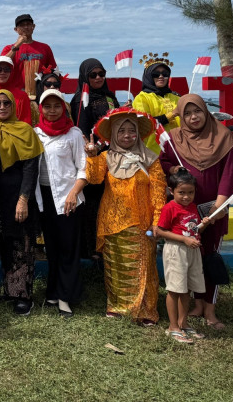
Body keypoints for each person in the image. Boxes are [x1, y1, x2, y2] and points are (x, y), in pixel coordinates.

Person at [158, 94, 233, 331]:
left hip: (213, 210)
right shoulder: (174, 139)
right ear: (181, 117)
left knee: (210, 257)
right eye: (187, 113)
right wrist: (172, 168)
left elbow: (229, 175)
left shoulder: (223, 138)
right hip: (184, 213)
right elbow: (163, 162)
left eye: (198, 111)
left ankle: (210, 310)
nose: (193, 117)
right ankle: (196, 304)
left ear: (205, 112)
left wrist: (218, 209)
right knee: (190, 259)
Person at [85, 109, 166, 324]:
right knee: (116, 266)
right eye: (122, 131)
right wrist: (91, 156)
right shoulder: (106, 157)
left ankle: (145, 311)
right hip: (112, 222)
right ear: (113, 134)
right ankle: (117, 307)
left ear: (138, 133)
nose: (127, 135)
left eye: (132, 130)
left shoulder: (150, 159)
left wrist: (157, 221)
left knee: (143, 267)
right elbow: (93, 179)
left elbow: (158, 192)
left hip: (142, 223)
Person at [0, 89, 44, 316]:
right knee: (4, 244)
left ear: (13, 106)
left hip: (19, 197)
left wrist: (23, 199)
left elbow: (31, 168)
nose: (2, 107)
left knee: (22, 246)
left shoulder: (25, 130)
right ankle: (10, 290)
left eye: (6, 103)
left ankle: (23, 296)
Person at [33, 89, 86, 318]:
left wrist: (74, 193)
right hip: (44, 198)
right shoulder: (36, 133)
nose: (52, 111)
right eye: (47, 106)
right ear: (41, 109)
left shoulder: (73, 134)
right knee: (52, 247)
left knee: (68, 248)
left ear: (64, 108)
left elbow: (83, 168)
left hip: (68, 198)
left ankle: (66, 296)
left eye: (57, 106)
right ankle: (53, 291)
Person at [70, 58, 119, 260]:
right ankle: (90, 248)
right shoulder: (80, 100)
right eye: (93, 75)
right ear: (85, 77)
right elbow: (81, 131)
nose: (98, 78)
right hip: (92, 156)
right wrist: (96, 147)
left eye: (102, 74)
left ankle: (108, 244)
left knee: (110, 200)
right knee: (92, 203)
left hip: (113, 156)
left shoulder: (110, 97)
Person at [157, 170, 211, 344]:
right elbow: (160, 231)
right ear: (171, 191)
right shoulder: (169, 208)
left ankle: (183, 323)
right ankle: (173, 327)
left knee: (186, 288)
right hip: (176, 251)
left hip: (192, 250)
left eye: (190, 192)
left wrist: (204, 224)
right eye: (181, 192)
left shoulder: (193, 207)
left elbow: (193, 229)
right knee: (174, 289)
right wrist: (184, 240)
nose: (186, 197)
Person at [132, 54, 180, 154]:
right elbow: (144, 125)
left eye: (165, 73)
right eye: (156, 74)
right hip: (153, 152)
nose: (161, 76)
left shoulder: (176, 97)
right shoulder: (142, 98)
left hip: (179, 149)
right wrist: (171, 115)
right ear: (149, 76)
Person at [1, 14, 56, 98]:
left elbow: (53, 71)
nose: (26, 27)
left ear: (33, 27)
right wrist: (16, 46)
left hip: (40, 94)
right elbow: (2, 64)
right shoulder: (8, 48)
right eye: (22, 25)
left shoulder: (45, 48)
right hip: (16, 95)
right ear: (16, 29)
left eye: (28, 24)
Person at [0, 57, 32, 124]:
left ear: (11, 72)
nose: (2, 72)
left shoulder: (22, 96)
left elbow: (26, 123)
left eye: (7, 70)